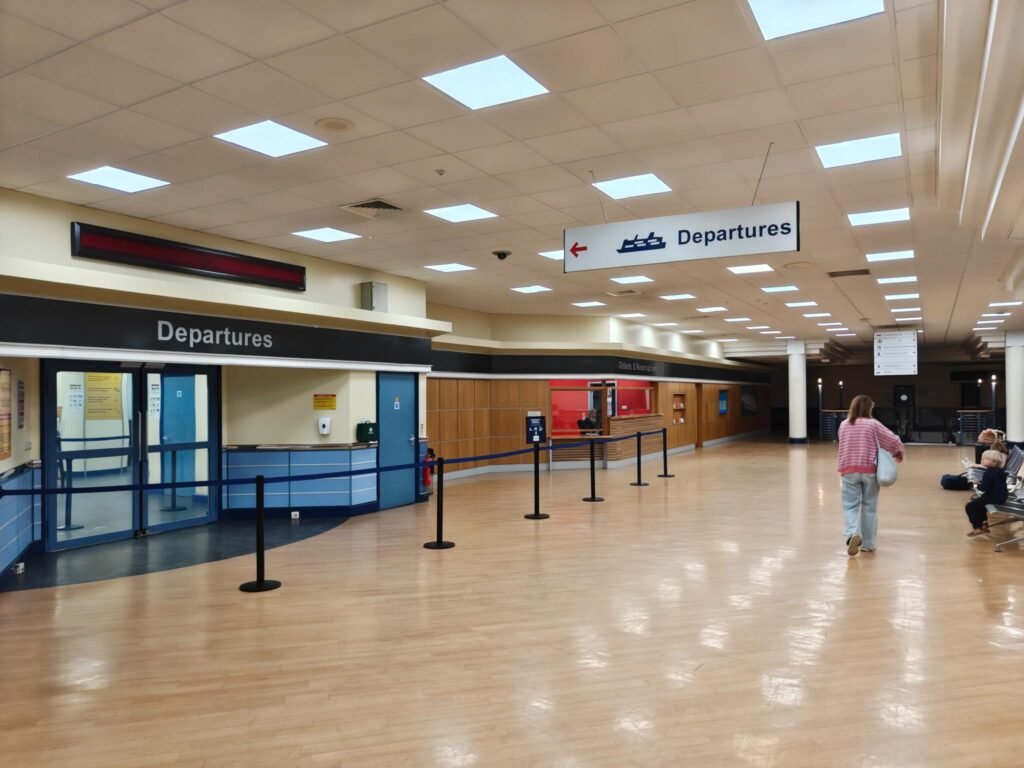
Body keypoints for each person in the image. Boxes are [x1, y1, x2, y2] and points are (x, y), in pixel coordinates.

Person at [837, 395, 904, 556]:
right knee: (870, 507)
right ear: (868, 408)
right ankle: (868, 544)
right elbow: (893, 440)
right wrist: (898, 451)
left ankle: (853, 533)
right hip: (870, 470)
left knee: (850, 506)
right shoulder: (873, 424)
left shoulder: (843, 425)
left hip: (848, 470)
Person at [965, 450, 1008, 536]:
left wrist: (976, 485)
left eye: (985, 459)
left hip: (992, 497)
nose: (982, 460)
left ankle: (977, 527)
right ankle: (984, 524)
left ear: (994, 461)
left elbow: (984, 488)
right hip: (1001, 497)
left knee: (970, 506)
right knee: (979, 504)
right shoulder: (1000, 471)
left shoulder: (988, 473)